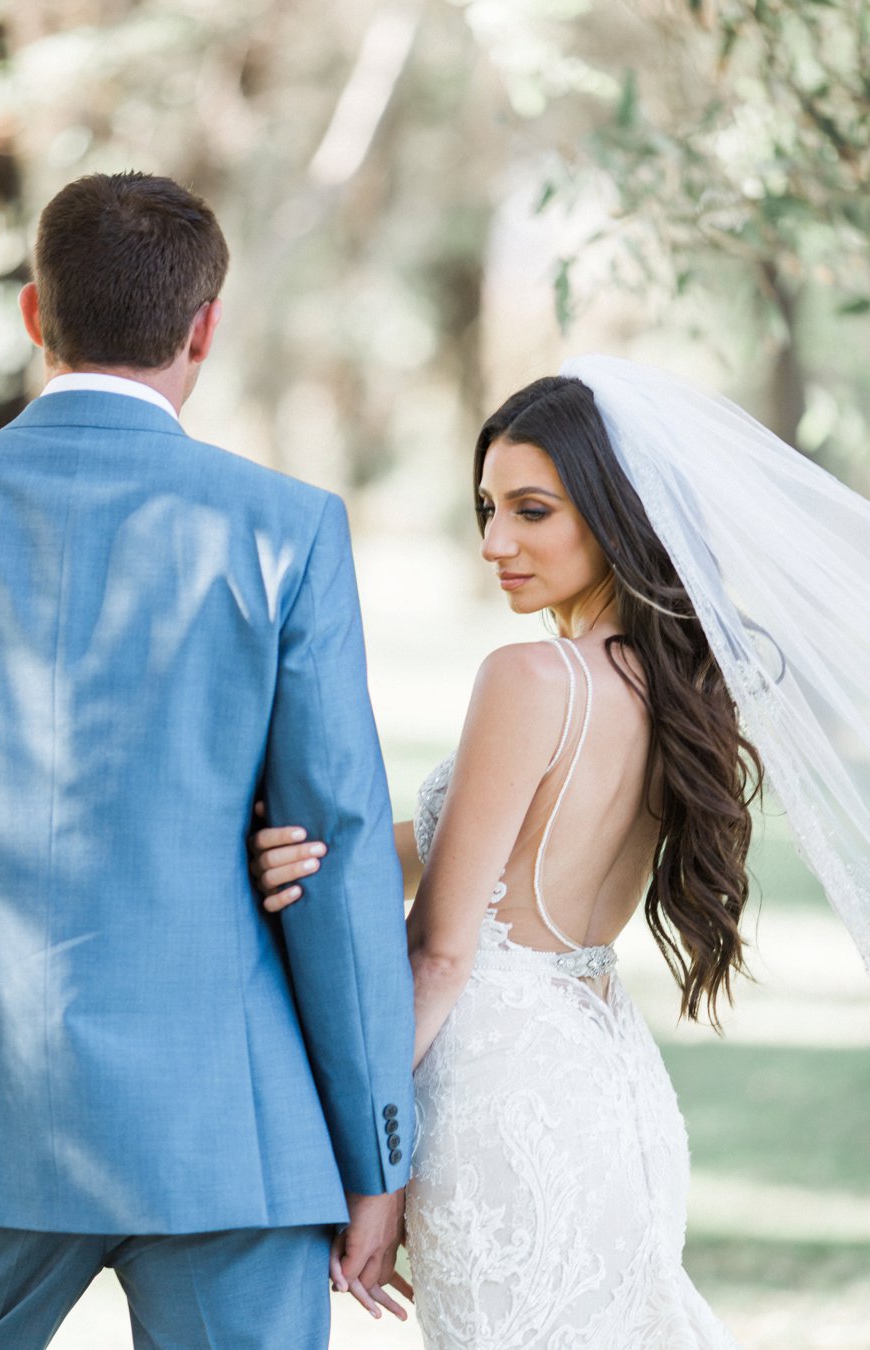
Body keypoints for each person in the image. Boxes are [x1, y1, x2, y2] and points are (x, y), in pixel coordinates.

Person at [251, 358, 870, 1347]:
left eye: (532, 510)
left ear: (616, 514)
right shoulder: (682, 691)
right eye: (487, 507)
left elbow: (444, 951)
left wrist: (366, 1167)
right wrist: (310, 858)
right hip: (610, 1084)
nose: (496, 541)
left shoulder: (531, 676)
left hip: (498, 1098)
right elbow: (480, 853)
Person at [0, 171, 414, 1350]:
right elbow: (335, 845)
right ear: (205, 325)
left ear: (32, 314)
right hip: (227, 1129)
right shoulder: (287, 526)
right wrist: (377, 1154)